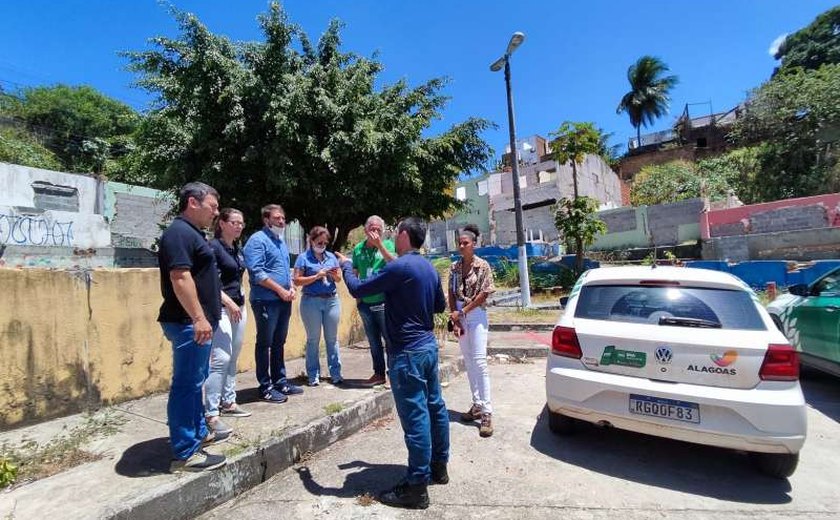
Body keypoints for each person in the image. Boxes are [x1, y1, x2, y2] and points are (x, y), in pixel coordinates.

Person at [337, 217, 449, 510]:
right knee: (435, 407)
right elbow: (439, 306)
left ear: (402, 235)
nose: (390, 235)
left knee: (416, 418)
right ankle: (439, 467)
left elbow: (358, 289)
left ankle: (416, 487)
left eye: (394, 231)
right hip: (426, 348)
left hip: (407, 353)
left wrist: (346, 265)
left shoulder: (397, 267)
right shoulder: (427, 266)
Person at [157, 181, 226, 473]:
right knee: (186, 386)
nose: (216, 212)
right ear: (193, 203)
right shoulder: (178, 233)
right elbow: (180, 277)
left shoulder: (192, 233)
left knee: (195, 381)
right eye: (213, 206)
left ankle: (198, 434)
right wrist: (199, 318)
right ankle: (185, 452)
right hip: (188, 323)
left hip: (197, 323)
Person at [242, 204, 304, 403]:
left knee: (279, 342)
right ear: (266, 220)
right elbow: (258, 273)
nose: (281, 221)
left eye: (283, 218)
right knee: (265, 343)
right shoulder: (257, 241)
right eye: (277, 218)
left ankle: (280, 380)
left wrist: (291, 287)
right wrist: (281, 290)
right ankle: (265, 386)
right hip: (266, 300)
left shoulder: (280, 242)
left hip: (283, 299)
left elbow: (285, 271)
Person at [204, 208, 251, 439]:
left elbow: (237, 277)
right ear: (222, 223)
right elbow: (211, 281)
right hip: (221, 309)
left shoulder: (236, 249)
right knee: (220, 358)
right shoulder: (213, 247)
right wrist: (229, 303)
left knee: (233, 355)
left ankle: (229, 401)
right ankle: (211, 413)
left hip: (238, 308)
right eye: (234, 222)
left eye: (241, 223)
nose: (239, 226)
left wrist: (240, 301)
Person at [448, 224, 496, 438]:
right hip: (460, 315)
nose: (461, 246)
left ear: (473, 245)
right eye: (459, 243)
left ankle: (487, 412)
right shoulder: (454, 268)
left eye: (465, 243)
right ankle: (476, 404)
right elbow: (450, 292)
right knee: (468, 361)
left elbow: (484, 294)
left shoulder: (482, 266)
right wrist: (455, 317)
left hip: (475, 315)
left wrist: (463, 312)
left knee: (479, 361)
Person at [293, 226, 343, 386]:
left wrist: (334, 275)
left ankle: (335, 374)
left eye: (325, 242)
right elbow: (297, 280)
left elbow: (339, 279)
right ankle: (313, 375)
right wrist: (316, 276)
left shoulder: (331, 257)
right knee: (313, 339)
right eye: (319, 241)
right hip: (311, 301)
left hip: (331, 300)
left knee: (332, 339)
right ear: (311, 240)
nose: (322, 244)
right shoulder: (303, 258)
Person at [351, 215, 396, 387]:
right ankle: (378, 374)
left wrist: (380, 246)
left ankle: (392, 374)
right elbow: (354, 272)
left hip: (383, 302)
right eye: (372, 229)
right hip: (365, 303)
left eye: (378, 229)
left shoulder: (389, 246)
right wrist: (358, 298)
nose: (375, 232)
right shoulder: (358, 249)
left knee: (389, 340)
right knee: (373, 341)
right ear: (365, 230)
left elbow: (394, 264)